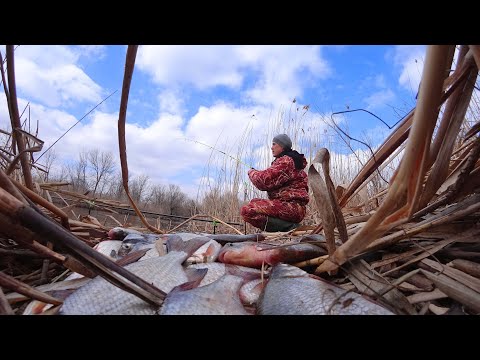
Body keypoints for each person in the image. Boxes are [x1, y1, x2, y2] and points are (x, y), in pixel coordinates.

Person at [241, 134, 309, 232]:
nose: (271, 147)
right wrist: (257, 172)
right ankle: (287, 228)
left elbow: (264, 181)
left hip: (292, 208)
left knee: (248, 211)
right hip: (290, 207)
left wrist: (251, 172)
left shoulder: (286, 161)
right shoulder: (289, 161)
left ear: (282, 146)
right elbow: (270, 176)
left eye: (274, 144)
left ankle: (292, 229)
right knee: (254, 202)